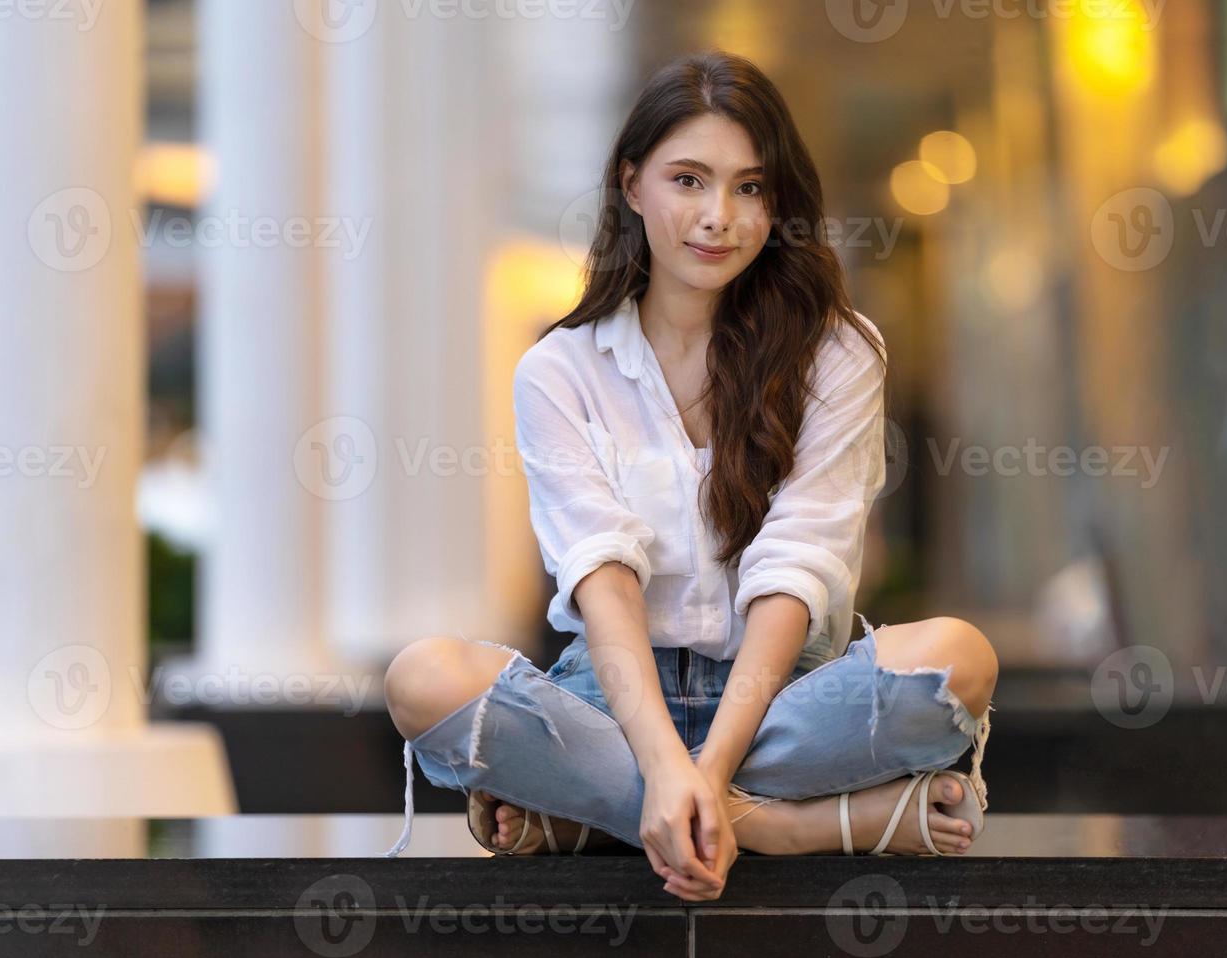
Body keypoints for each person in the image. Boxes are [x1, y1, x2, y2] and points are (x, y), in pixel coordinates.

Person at [381, 49, 998, 903]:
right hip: (613, 706)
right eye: (688, 180)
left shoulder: (838, 351)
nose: (719, 217)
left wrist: (703, 770)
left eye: (750, 187)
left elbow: (799, 560)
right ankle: (787, 825)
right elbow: (602, 579)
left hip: (784, 697)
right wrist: (670, 765)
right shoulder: (560, 371)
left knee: (957, 660)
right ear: (632, 186)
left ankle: (601, 818)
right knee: (424, 678)